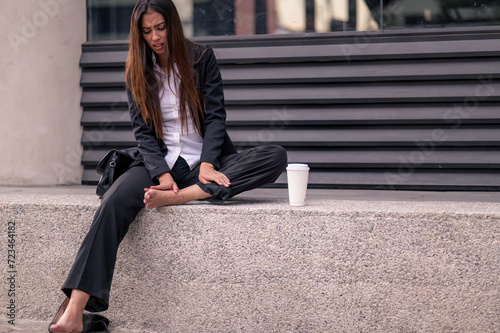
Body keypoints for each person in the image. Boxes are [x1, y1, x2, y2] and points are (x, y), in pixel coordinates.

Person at [49, 0, 287, 332]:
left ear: (172, 23)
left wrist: (206, 163)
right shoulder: (136, 70)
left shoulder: (202, 58)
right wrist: (160, 174)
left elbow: (216, 118)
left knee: (275, 156)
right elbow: (143, 133)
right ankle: (74, 310)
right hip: (157, 164)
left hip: (200, 166)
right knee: (113, 203)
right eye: (146, 31)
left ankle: (182, 195)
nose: (155, 37)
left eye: (160, 27)